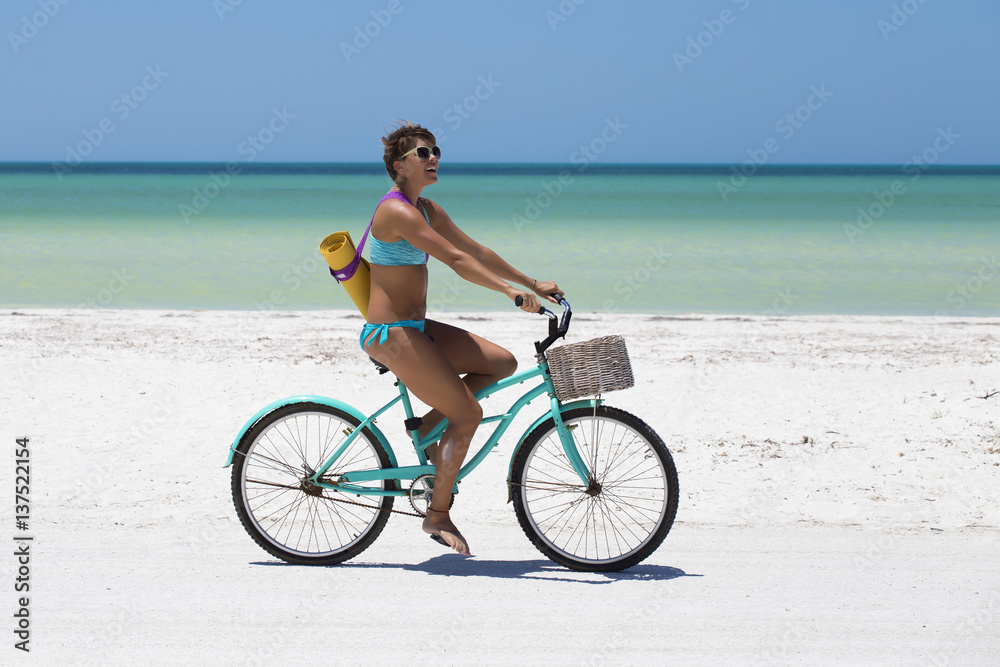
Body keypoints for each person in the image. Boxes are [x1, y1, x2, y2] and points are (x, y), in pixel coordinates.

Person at [360, 121, 561, 556]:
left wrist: (531, 281)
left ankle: (431, 425)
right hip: (389, 334)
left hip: (416, 330)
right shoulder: (395, 211)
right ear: (399, 165)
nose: (433, 159)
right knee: (469, 414)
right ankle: (437, 514)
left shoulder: (428, 209)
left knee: (502, 363)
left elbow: (475, 251)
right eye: (423, 153)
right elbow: (451, 259)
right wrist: (509, 293)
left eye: (436, 151)